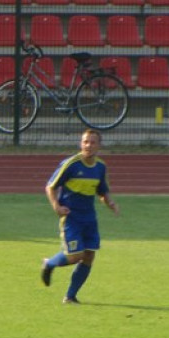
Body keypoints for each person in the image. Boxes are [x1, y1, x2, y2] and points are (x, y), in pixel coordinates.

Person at [40, 129, 120, 305]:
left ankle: (70, 296)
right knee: (76, 255)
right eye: (85, 142)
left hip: (90, 218)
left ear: (99, 145)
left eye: (92, 142)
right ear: (80, 144)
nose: (88, 146)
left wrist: (110, 203)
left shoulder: (100, 167)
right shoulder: (71, 164)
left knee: (89, 256)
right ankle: (49, 263)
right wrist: (56, 206)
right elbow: (50, 186)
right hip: (72, 218)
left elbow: (102, 190)